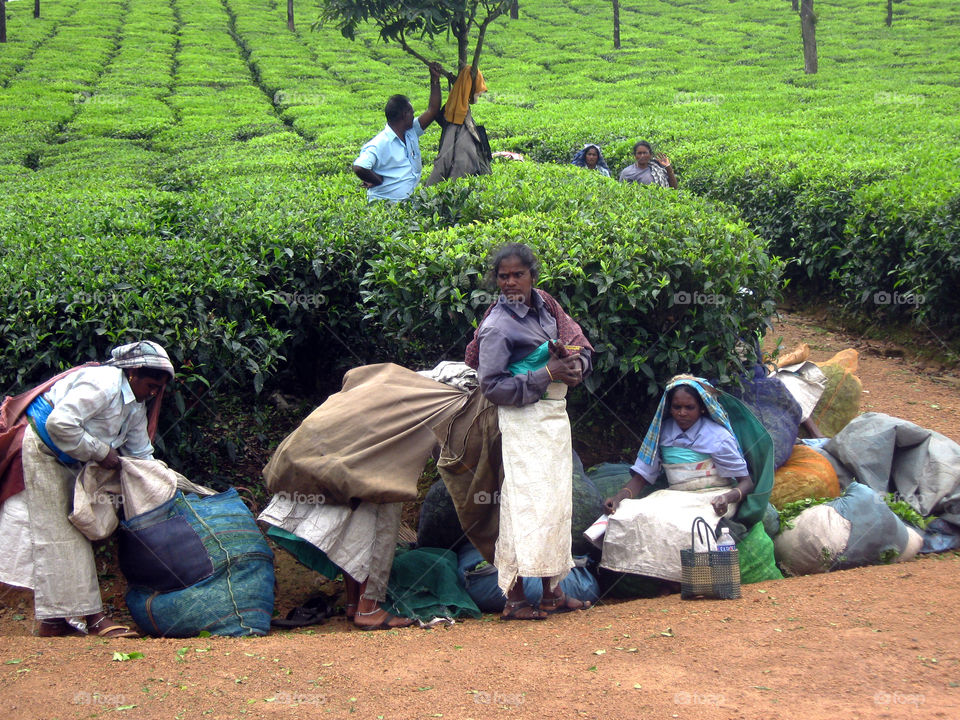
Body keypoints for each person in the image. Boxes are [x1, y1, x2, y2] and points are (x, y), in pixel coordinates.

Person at [0, 341, 174, 637]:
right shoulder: (102, 383)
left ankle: (54, 622)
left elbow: (140, 452)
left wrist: (165, 481)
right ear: (132, 372)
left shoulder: (135, 406)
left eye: (160, 386)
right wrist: (102, 451)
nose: (155, 391)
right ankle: (93, 618)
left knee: (64, 534)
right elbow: (60, 424)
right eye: (151, 383)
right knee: (62, 534)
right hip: (44, 451)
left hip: (72, 462)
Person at [470, 243, 594, 620]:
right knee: (524, 508)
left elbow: (580, 344)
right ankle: (516, 599)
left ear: (532, 276)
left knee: (556, 504)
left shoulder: (546, 305)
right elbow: (491, 386)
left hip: (555, 417)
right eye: (503, 276)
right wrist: (547, 374)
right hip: (523, 423)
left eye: (517, 275)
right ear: (495, 280)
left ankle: (554, 593)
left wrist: (576, 367)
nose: (510, 282)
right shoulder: (497, 326)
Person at [599, 376, 754, 582]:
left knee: (690, 525)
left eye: (689, 407)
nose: (682, 413)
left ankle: (687, 580)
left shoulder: (718, 436)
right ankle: (653, 577)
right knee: (630, 514)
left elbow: (746, 482)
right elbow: (642, 477)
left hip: (714, 495)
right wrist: (618, 499)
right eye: (677, 407)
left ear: (702, 408)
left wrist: (727, 497)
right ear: (669, 408)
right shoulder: (662, 433)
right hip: (675, 495)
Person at [352, 63, 444, 202]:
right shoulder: (380, 143)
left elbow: (432, 110)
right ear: (404, 115)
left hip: (407, 204)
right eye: (412, 113)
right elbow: (359, 167)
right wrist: (376, 180)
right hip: (386, 207)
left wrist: (435, 80)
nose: (414, 116)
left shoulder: (411, 132)